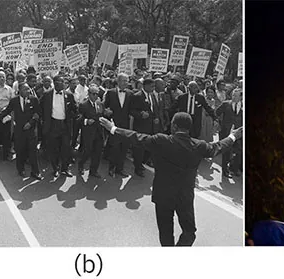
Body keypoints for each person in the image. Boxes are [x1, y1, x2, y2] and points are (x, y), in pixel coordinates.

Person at [98, 113, 242, 246]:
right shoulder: (199, 145)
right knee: (189, 232)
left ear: (173, 126)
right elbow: (217, 147)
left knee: (166, 233)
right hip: (184, 197)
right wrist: (233, 136)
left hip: (163, 195)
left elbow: (136, 137)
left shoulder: (162, 141)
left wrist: (113, 128)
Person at [0, 83, 42, 180]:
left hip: (31, 130)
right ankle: (21, 170)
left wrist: (31, 123)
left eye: (28, 89)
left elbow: (38, 113)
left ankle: (35, 172)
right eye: (25, 89)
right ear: (20, 90)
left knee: (33, 152)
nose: (28, 91)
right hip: (19, 131)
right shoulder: (14, 101)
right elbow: (6, 111)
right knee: (20, 151)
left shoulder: (34, 99)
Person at [39, 74, 78, 178]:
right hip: (53, 125)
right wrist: (44, 119)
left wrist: (72, 117)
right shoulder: (47, 95)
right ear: (55, 83)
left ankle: (64, 169)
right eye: (61, 82)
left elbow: (75, 109)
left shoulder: (69, 95)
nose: (63, 84)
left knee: (66, 148)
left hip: (65, 125)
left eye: (64, 82)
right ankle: (55, 168)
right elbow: (40, 107)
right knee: (53, 148)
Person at [132, 78, 162, 176]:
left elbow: (155, 108)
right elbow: (132, 111)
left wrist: (156, 117)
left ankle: (143, 162)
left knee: (149, 146)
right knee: (139, 148)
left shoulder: (152, 95)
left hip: (152, 126)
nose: (153, 88)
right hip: (141, 126)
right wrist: (141, 114)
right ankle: (138, 167)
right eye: (152, 86)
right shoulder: (137, 96)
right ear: (145, 86)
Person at [77, 86, 108, 179]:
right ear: (89, 94)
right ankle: (81, 164)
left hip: (98, 131)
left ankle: (93, 170)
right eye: (93, 94)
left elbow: (102, 114)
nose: (96, 96)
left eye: (97, 94)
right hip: (88, 132)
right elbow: (78, 119)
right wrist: (86, 121)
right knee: (88, 151)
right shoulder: (83, 105)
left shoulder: (99, 103)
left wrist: (106, 114)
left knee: (98, 152)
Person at [214, 87, 243, 179]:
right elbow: (216, 113)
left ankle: (234, 168)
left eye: (236, 95)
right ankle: (225, 171)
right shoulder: (226, 104)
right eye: (233, 95)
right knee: (226, 151)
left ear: (241, 97)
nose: (233, 97)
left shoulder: (243, 106)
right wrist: (218, 123)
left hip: (239, 133)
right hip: (226, 132)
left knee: (238, 151)